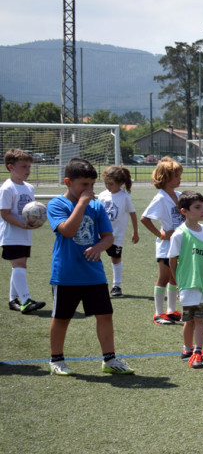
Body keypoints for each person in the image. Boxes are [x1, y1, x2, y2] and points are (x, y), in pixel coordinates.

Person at [45, 157, 134, 376]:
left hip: (93, 273)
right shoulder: (57, 204)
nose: (90, 189)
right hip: (66, 273)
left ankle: (109, 359)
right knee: (62, 317)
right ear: (68, 182)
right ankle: (56, 359)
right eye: (84, 185)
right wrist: (82, 204)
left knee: (105, 314)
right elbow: (67, 230)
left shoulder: (96, 205)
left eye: (92, 185)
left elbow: (108, 237)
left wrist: (99, 247)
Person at [168, 191, 203, 368]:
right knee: (189, 319)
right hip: (189, 284)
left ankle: (198, 350)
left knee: (201, 318)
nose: (202, 211)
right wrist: (179, 283)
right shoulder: (179, 234)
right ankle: (188, 349)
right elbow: (172, 260)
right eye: (197, 207)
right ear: (184, 211)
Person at [0, 149, 46, 313]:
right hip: (11, 234)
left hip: (25, 234)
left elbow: (30, 211)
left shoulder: (29, 188)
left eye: (29, 166)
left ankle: (13, 300)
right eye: (23, 166)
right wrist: (22, 225)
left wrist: (37, 219)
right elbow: (4, 213)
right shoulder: (7, 188)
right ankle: (26, 300)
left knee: (19, 265)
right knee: (20, 264)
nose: (27, 170)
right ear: (11, 167)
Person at [140, 156, 184, 325]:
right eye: (177, 176)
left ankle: (171, 311)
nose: (180, 179)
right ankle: (158, 314)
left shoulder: (179, 195)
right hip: (166, 245)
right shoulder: (160, 198)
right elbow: (145, 218)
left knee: (175, 278)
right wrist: (160, 234)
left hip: (179, 243)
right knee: (164, 278)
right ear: (165, 178)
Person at [98, 165, 139, 297]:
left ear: (120, 183)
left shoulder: (125, 197)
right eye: (106, 183)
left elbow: (132, 214)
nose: (108, 186)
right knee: (94, 256)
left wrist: (135, 232)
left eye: (110, 184)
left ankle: (117, 285)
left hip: (117, 235)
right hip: (100, 233)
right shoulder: (103, 195)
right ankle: (96, 284)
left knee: (115, 258)